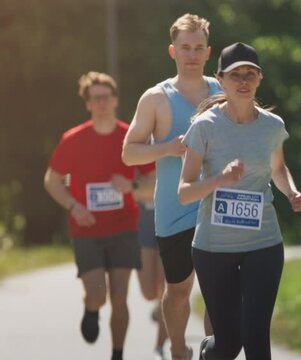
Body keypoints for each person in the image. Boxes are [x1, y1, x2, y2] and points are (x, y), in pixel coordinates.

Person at [178, 42, 301, 360]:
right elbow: (184, 191)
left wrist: (290, 191)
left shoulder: (272, 127)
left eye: (250, 74)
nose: (244, 81)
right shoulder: (204, 127)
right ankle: (210, 351)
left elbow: (278, 168)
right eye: (236, 75)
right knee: (228, 344)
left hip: (263, 241)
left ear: (260, 79)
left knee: (256, 336)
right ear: (220, 79)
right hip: (213, 248)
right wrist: (220, 179)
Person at [122, 13, 220, 360]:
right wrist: (167, 147)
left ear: (208, 52)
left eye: (198, 48)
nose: (191, 54)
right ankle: (178, 349)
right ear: (172, 51)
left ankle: (216, 352)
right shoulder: (156, 98)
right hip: (174, 210)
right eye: (185, 48)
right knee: (178, 290)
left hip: (217, 207)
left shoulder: (224, 92)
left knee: (217, 291)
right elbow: (129, 153)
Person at [44, 71, 155, 360]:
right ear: (88, 104)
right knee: (98, 294)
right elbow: (52, 180)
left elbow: (153, 183)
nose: (102, 103)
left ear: (116, 100)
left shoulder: (130, 137)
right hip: (87, 230)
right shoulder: (74, 139)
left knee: (120, 297)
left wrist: (131, 186)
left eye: (107, 97)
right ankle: (91, 307)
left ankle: (117, 354)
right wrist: (73, 206)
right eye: (96, 99)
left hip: (123, 228)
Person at [132, 170, 169, 360]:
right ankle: (160, 307)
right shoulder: (138, 141)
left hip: (171, 219)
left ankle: (159, 347)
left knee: (166, 291)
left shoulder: (177, 140)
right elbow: (132, 190)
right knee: (148, 291)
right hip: (144, 221)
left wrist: (147, 184)